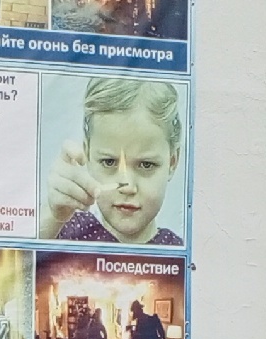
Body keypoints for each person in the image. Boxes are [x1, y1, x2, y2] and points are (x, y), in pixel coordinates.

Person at [37, 77, 185, 246]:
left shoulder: (179, 250)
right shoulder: (65, 230)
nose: (127, 187)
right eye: (109, 162)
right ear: (87, 154)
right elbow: (16, 259)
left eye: (146, 165)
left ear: (172, 162)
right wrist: (52, 216)